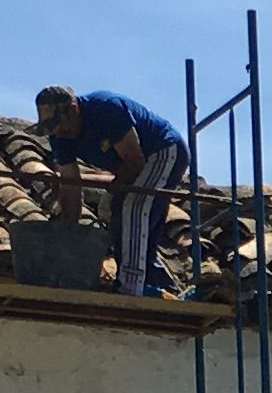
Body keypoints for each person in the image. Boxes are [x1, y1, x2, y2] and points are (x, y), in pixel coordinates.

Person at [35, 86, 191, 296]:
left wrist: (111, 194)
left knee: (133, 207)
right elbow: (70, 183)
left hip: (163, 150)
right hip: (133, 165)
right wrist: (68, 233)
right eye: (50, 127)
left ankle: (130, 284)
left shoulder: (106, 108)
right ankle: (157, 282)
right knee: (123, 213)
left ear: (73, 109)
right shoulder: (60, 138)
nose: (57, 131)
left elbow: (135, 160)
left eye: (58, 123)